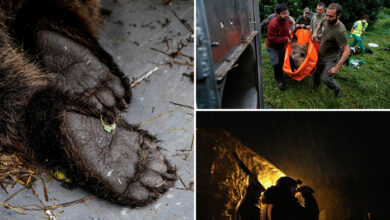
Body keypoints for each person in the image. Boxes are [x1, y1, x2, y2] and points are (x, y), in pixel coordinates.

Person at [313, 3, 350, 97]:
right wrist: (315, 33)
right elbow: (320, 24)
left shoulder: (340, 31)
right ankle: (315, 88)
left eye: (331, 16)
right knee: (316, 73)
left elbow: (347, 50)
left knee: (327, 79)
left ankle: (338, 90)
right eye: (327, 15)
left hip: (331, 58)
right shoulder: (326, 19)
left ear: (339, 15)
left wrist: (337, 67)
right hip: (321, 54)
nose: (328, 18)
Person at [266, 3, 291, 90]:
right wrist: (285, 39)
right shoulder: (273, 24)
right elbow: (272, 39)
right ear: (277, 14)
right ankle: (279, 80)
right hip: (272, 47)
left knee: (283, 61)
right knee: (276, 63)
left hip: (282, 46)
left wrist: (289, 37)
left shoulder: (287, 21)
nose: (286, 15)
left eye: (287, 13)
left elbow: (287, 31)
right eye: (283, 14)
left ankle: (283, 73)